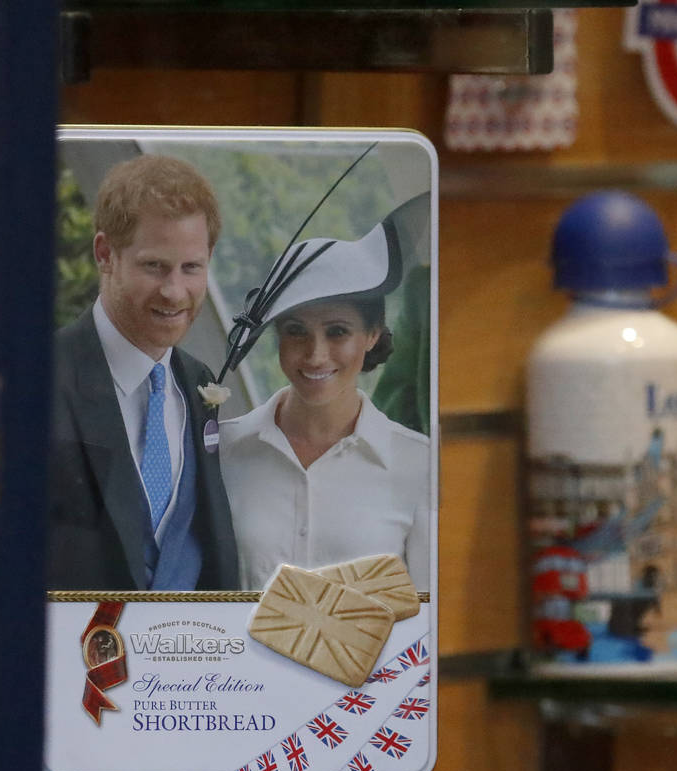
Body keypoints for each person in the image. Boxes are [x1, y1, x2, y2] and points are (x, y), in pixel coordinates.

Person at [48, 154, 238, 590]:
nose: (174, 292)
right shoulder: (41, 378)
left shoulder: (199, 380)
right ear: (105, 254)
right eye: (154, 266)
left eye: (191, 268)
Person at [220, 220, 430, 591]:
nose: (316, 355)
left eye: (337, 331)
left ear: (372, 334)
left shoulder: (418, 465)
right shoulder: (223, 450)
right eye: (296, 331)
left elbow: (426, 624)